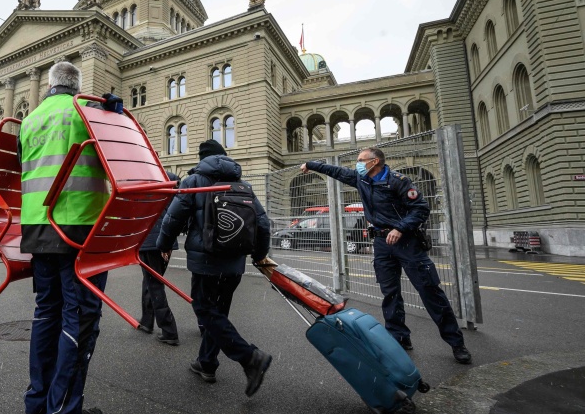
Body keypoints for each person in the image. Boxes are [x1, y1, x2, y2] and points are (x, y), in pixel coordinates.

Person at [18, 61, 121, 414]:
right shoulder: (86, 111)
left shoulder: (30, 121)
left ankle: (36, 407)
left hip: (38, 229)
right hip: (79, 228)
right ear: (77, 85)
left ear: (49, 85)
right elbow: (119, 159)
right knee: (79, 319)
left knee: (47, 313)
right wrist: (115, 113)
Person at [300, 147, 472, 364]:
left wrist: (400, 228)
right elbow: (334, 170)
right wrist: (311, 165)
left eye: (361, 160)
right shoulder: (361, 180)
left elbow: (420, 208)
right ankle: (398, 337)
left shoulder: (398, 181)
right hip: (382, 243)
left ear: (375, 162)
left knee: (430, 292)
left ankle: (457, 343)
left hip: (406, 242)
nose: (358, 164)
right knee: (390, 292)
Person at [156, 140, 274, 397]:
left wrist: (163, 245)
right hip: (235, 262)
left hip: (206, 260)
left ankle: (250, 357)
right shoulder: (243, 185)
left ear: (202, 159)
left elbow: (173, 218)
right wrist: (259, 255)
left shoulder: (194, 182)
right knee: (218, 312)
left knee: (205, 309)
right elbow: (263, 224)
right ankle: (207, 363)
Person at [136, 171, 180, 346]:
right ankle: (147, 321)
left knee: (153, 283)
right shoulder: (170, 179)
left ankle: (169, 329)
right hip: (165, 238)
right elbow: (176, 212)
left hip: (147, 238)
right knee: (151, 280)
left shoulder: (139, 180)